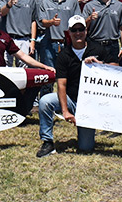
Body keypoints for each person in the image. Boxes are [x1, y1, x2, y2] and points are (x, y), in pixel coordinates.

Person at [37, 15, 117, 157]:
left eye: (81, 29)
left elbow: (116, 68)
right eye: (74, 30)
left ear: (86, 31)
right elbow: (61, 84)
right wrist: (65, 111)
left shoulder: (97, 49)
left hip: (91, 104)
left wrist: (100, 65)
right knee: (45, 101)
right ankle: (47, 142)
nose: (78, 33)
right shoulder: (64, 55)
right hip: (72, 99)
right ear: (69, 32)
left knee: (86, 148)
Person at [34, 0, 79, 70]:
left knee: (69, 72)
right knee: (50, 73)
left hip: (68, 43)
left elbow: (77, 21)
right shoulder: (45, 2)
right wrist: (51, 22)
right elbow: (43, 22)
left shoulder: (72, 1)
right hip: (50, 43)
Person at [82, 0, 122, 64]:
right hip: (95, 43)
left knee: (113, 73)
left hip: (112, 45)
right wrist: (90, 18)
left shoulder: (119, 5)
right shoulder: (89, 6)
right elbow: (83, 27)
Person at [1, 0, 36, 67]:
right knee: (5, 68)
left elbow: (33, 21)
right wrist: (9, 4)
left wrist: (32, 41)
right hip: (7, 38)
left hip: (24, 40)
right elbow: (1, 13)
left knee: (23, 70)